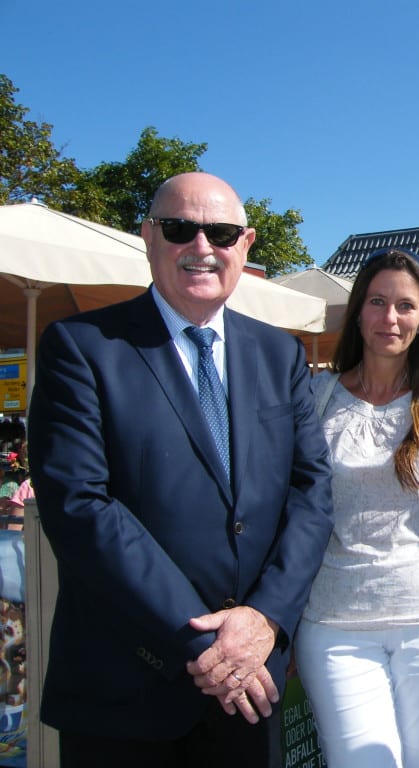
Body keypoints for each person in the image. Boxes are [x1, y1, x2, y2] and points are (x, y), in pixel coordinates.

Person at [28, 172, 335, 768]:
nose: (201, 247)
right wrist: (207, 645)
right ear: (147, 236)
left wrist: (265, 620)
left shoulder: (280, 354)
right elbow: (80, 506)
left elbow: (311, 491)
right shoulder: (80, 346)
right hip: (126, 688)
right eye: (179, 228)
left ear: (244, 246)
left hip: (251, 684)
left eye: (219, 232)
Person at [295, 247, 419, 768]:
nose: (390, 318)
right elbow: (292, 513)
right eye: (378, 302)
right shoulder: (315, 399)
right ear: (358, 310)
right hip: (333, 621)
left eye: (405, 306)